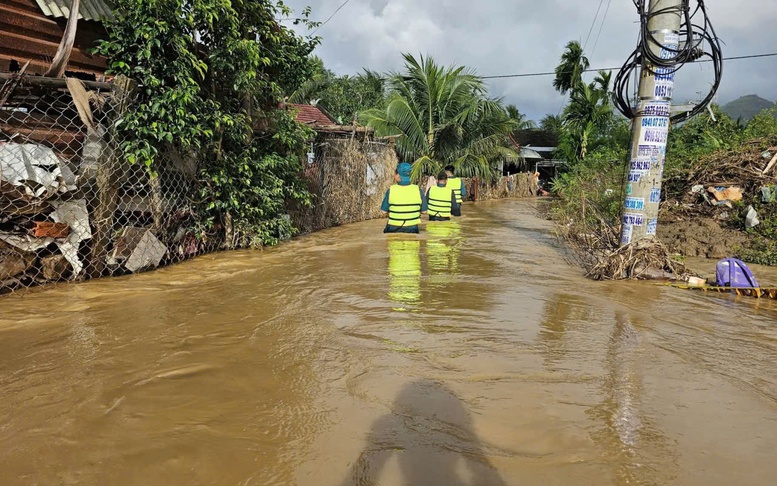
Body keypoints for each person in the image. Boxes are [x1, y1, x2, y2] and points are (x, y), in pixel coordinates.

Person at [381, 162, 427, 233]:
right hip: (412, 228)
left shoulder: (391, 190)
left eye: (395, 174)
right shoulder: (418, 190)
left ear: (398, 175)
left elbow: (383, 212)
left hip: (393, 227)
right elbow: (424, 211)